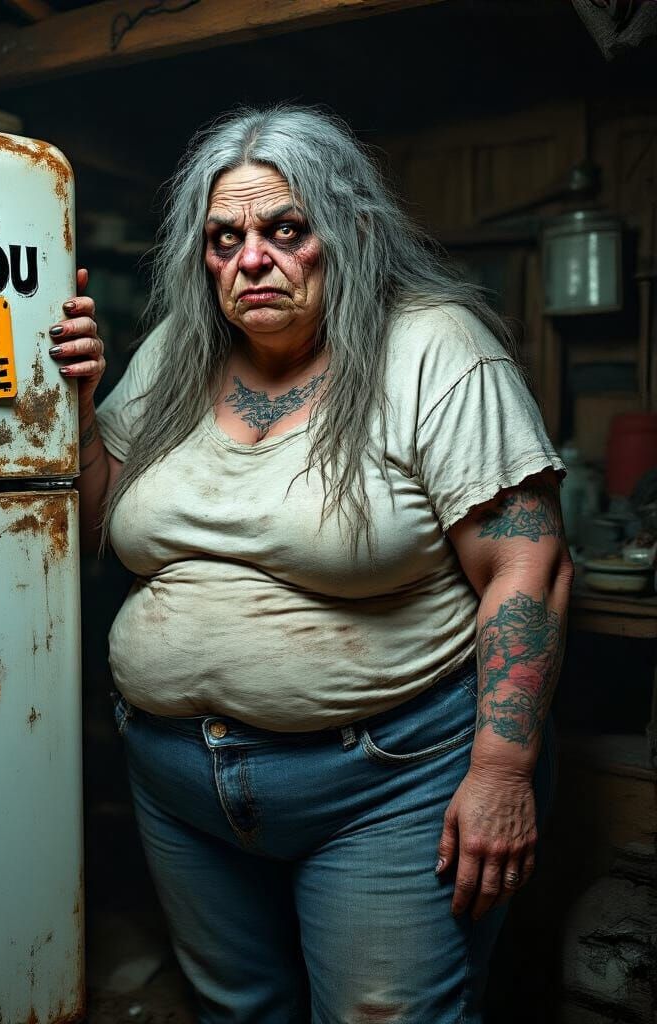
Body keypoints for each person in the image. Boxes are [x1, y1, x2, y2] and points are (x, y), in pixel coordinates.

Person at [47, 105, 571, 1023]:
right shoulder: (179, 349)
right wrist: (82, 414)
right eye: (224, 239)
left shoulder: (435, 347)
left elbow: (527, 569)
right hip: (176, 782)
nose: (251, 259)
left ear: (351, 233)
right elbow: (101, 527)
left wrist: (499, 772)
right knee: (238, 1009)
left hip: (383, 782)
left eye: (285, 230)